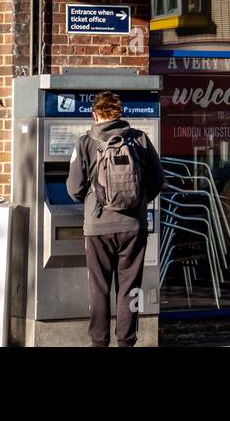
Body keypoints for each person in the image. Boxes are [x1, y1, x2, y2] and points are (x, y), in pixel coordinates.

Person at [67, 90, 165, 347]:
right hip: (133, 226)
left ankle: (99, 342)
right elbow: (157, 180)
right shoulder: (140, 139)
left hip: (98, 226)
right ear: (120, 113)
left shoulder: (85, 142)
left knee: (99, 287)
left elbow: (74, 188)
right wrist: (138, 203)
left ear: (95, 113)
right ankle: (126, 342)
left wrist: (92, 201)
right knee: (129, 287)